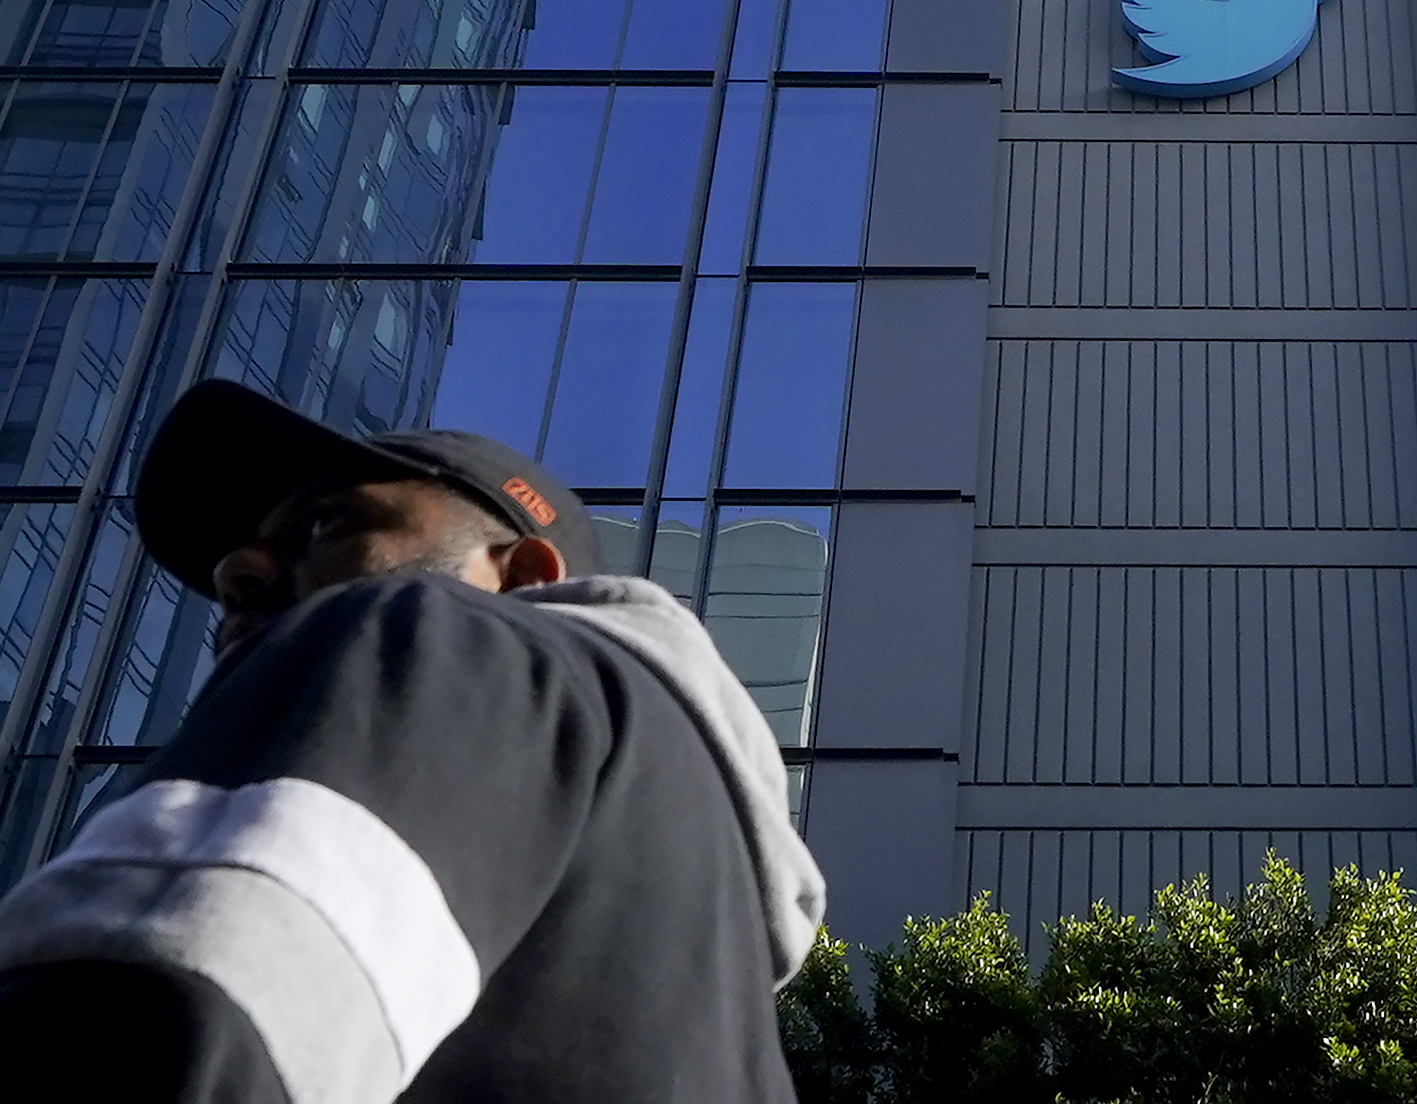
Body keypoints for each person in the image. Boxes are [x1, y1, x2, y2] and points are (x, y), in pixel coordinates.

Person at [0, 379, 824, 1102]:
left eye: (328, 523)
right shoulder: (711, 952)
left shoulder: (431, 628)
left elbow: (165, 1003)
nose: (235, 572)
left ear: (522, 577)